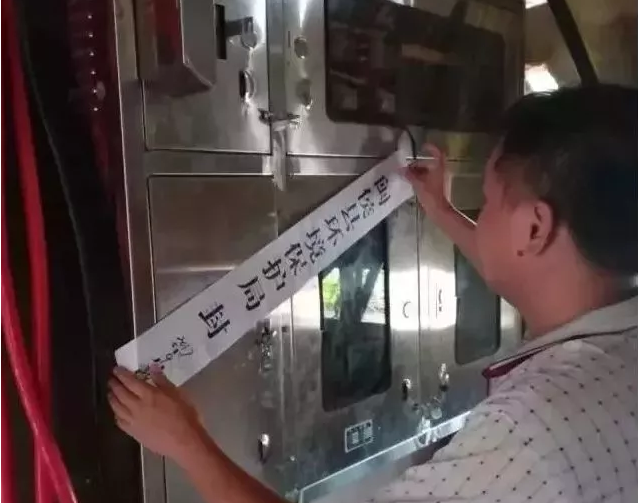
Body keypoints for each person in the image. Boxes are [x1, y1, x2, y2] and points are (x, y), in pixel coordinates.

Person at [108, 85, 638, 503]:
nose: (485, 214)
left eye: (491, 200)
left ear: (534, 229)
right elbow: (517, 266)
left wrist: (185, 441)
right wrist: (442, 212)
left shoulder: (525, 434)